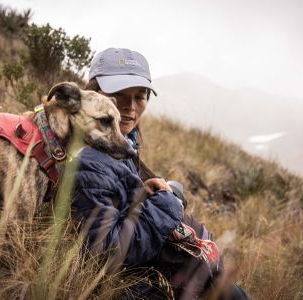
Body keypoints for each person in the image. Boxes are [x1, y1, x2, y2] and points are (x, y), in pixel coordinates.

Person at [71, 48, 249, 299]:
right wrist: (167, 204)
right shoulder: (90, 159)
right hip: (139, 285)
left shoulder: (120, 143)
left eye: (139, 96)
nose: (130, 107)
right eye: (117, 95)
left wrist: (146, 192)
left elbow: (115, 202)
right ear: (93, 93)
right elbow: (109, 253)